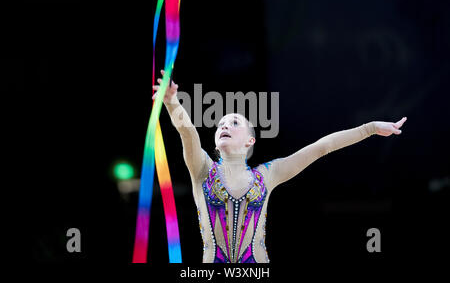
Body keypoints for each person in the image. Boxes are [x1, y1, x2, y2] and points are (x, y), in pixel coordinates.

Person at [152, 70, 407, 263]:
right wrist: (172, 103)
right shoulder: (203, 170)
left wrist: (370, 128)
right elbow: (187, 133)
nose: (225, 126)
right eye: (221, 125)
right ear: (216, 143)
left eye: (234, 123)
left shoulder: (267, 174)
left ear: (250, 140)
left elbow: (321, 147)